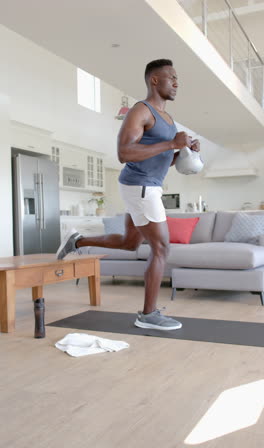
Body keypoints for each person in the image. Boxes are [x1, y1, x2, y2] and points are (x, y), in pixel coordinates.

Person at [56, 58, 200, 331]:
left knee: (129, 243)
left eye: (177, 78)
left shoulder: (168, 120)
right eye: (172, 77)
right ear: (154, 80)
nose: (177, 82)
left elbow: (161, 161)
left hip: (147, 184)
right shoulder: (141, 111)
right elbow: (124, 153)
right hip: (140, 186)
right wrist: (171, 143)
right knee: (161, 248)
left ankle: (77, 240)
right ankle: (148, 315)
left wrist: (184, 152)